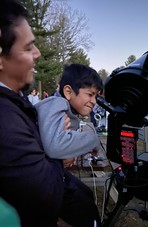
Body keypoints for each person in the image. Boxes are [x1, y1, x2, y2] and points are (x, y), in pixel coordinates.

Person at [0, 1, 101, 227]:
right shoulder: (47, 106)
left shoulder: (15, 102)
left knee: (85, 199)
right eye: (28, 48)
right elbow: (43, 191)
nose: (37, 54)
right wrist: (90, 136)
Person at [35, 64, 103, 161]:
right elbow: (55, 147)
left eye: (95, 96)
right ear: (68, 92)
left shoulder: (67, 110)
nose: (94, 101)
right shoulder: (56, 103)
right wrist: (93, 140)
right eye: (90, 94)